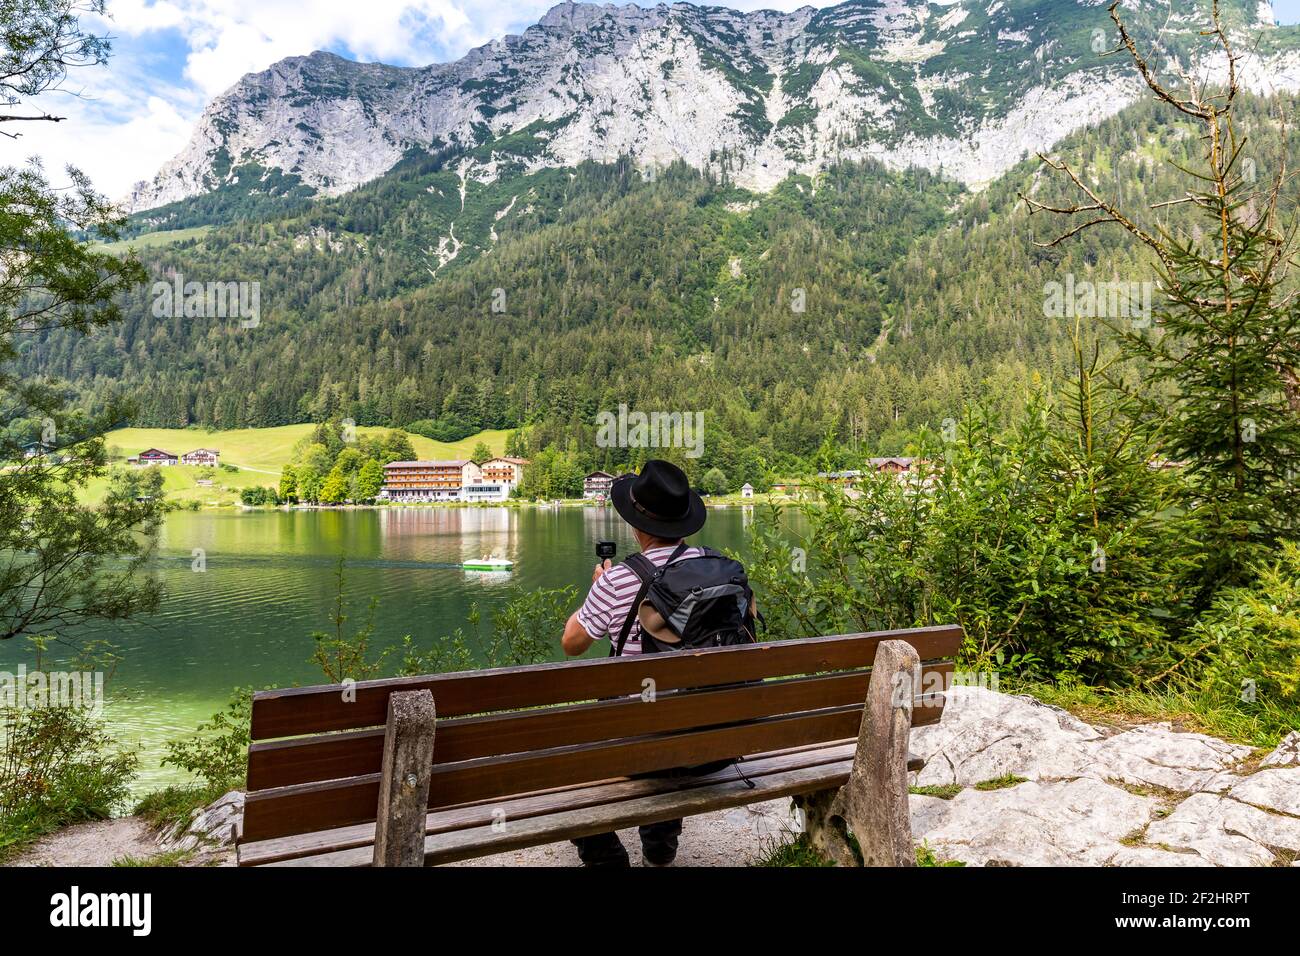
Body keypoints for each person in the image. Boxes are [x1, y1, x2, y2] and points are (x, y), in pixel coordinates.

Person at [559, 459, 710, 866]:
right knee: (670, 715)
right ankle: (660, 848)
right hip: (707, 732)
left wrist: (596, 595)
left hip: (637, 737)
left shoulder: (617, 579)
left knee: (566, 761)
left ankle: (606, 857)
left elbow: (572, 644)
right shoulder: (715, 569)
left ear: (636, 526)